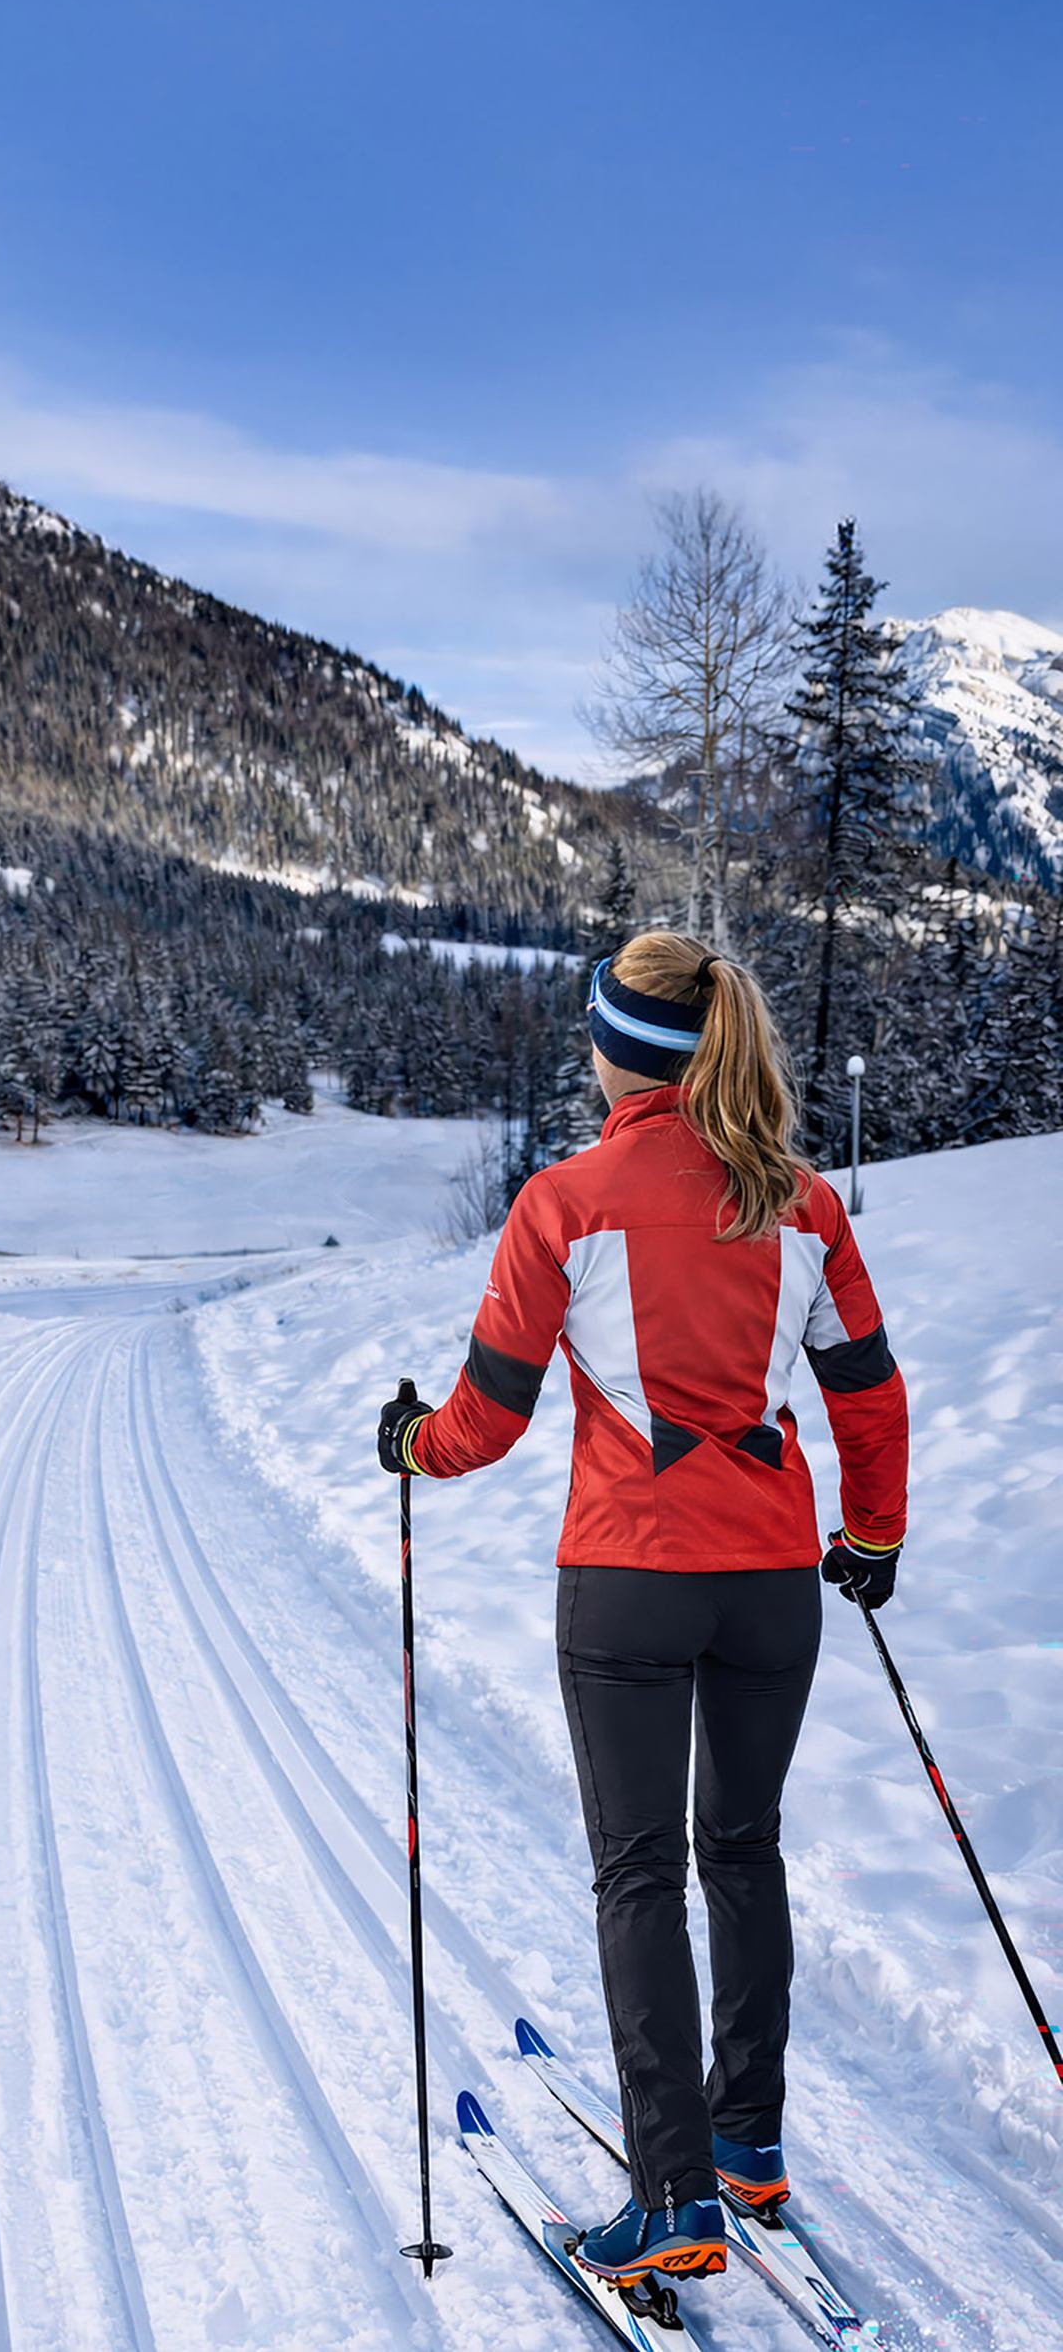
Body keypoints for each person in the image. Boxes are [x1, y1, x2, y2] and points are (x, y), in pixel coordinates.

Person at [378, 933, 907, 2294]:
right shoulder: (803, 1205)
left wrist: (412, 1445)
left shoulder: (566, 1202)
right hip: (774, 1584)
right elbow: (867, 1390)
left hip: (627, 1579)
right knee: (743, 1850)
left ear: (619, 1051)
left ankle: (672, 2198)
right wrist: (873, 1532)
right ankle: (747, 2144)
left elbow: (486, 1420)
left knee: (639, 1875)